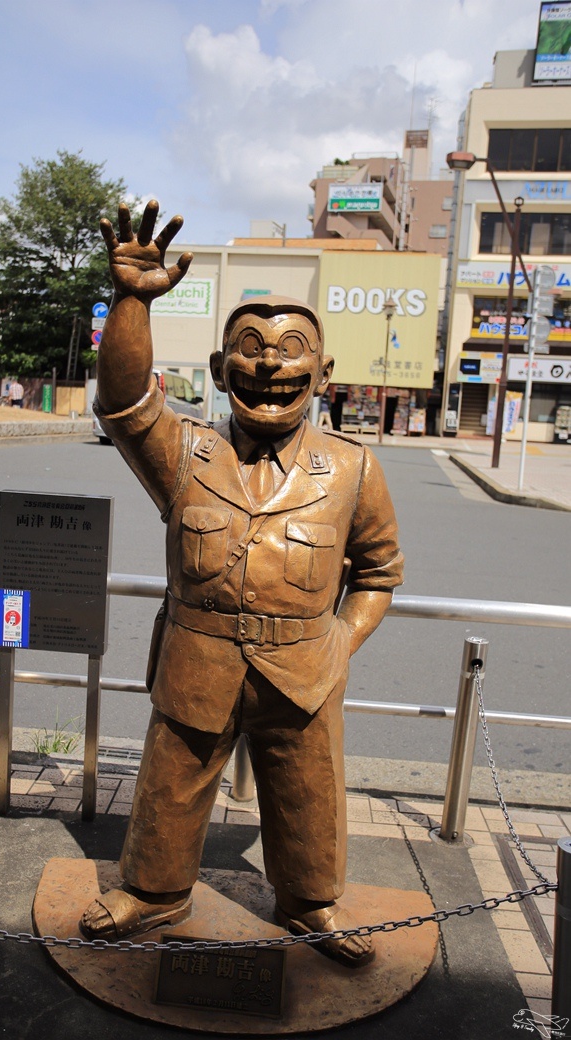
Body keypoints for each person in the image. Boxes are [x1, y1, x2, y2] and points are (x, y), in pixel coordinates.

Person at [83, 201, 403, 967]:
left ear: (322, 374)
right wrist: (132, 300)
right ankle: (153, 894)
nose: (269, 365)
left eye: (291, 350)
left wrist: (338, 641)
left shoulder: (352, 468)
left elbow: (379, 573)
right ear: (222, 370)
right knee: (172, 782)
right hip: (198, 661)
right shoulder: (185, 454)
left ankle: (310, 902)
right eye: (249, 350)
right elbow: (123, 403)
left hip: (303, 668)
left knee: (307, 796)